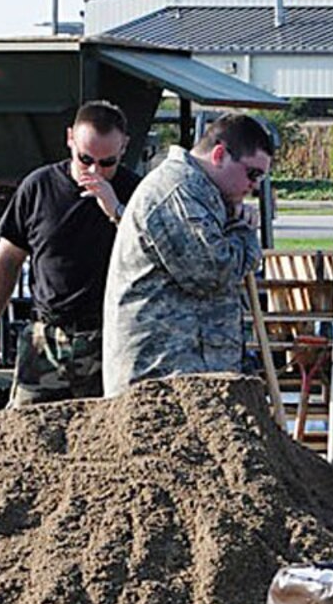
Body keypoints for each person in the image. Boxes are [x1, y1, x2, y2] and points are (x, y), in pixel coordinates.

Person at [0, 101, 140, 405]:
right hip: (47, 337)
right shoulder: (39, 187)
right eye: (85, 158)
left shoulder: (136, 193)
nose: (95, 171)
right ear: (70, 140)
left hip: (109, 337)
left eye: (107, 162)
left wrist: (116, 210)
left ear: (124, 148)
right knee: (27, 431)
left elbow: (151, 252)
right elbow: (8, 258)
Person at [101, 113, 274, 397]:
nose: (255, 186)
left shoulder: (203, 194)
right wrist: (244, 233)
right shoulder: (177, 192)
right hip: (160, 379)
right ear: (219, 154)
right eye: (253, 173)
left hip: (188, 376)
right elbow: (213, 273)